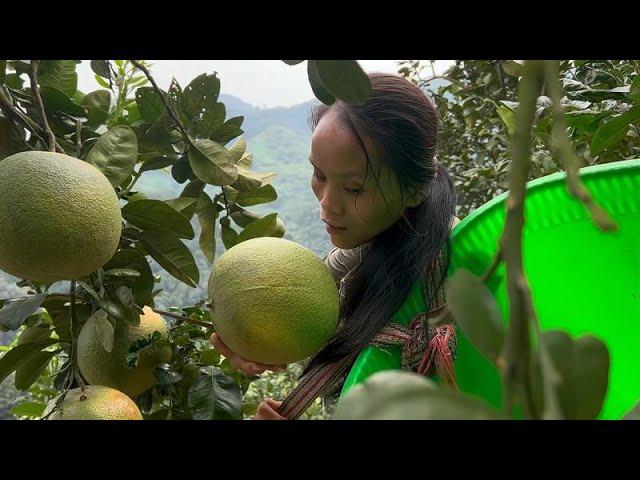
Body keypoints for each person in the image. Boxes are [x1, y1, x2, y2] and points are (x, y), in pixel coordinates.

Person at [210, 72, 459, 420]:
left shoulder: (452, 285)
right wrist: (252, 339)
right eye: (320, 176)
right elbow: (302, 305)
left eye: (354, 188)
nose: (327, 204)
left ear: (414, 190)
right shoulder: (362, 251)